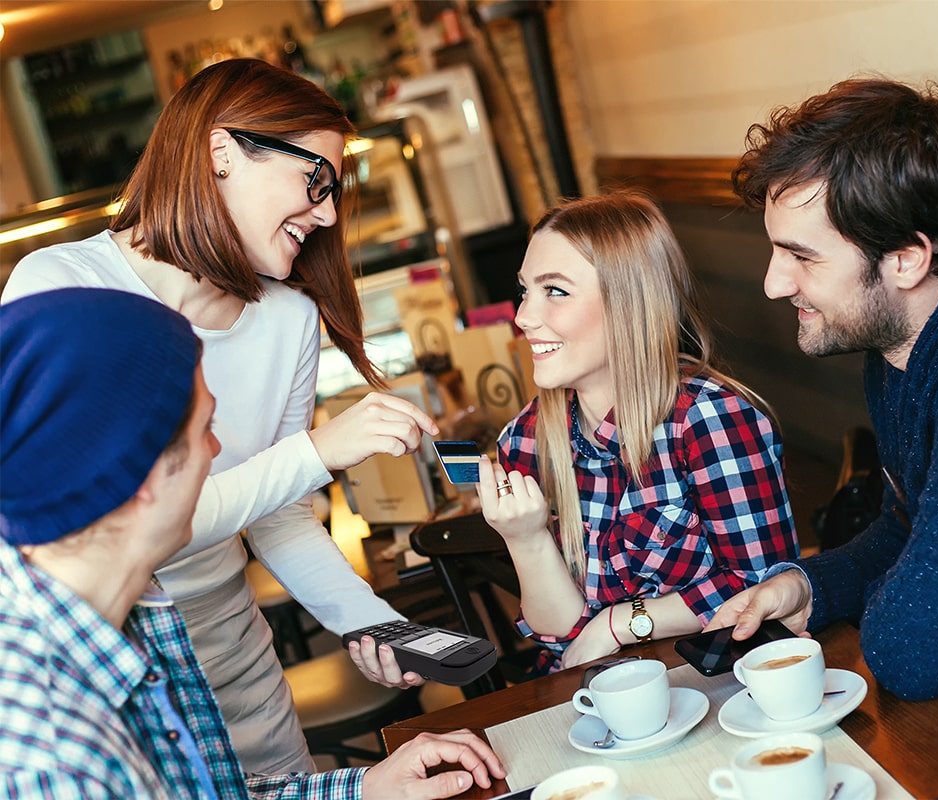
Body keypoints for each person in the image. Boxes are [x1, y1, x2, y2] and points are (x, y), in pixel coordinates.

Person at [1, 58, 434, 773]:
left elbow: (280, 514)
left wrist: (375, 625)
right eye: (314, 180)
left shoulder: (289, 316)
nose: (327, 212)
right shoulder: (66, 288)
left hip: (235, 648)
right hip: (115, 661)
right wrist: (316, 453)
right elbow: (119, 517)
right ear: (221, 153)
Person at [0, 287, 506, 799]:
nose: (219, 449)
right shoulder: (50, 763)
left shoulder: (126, 608)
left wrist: (365, 788)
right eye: (204, 430)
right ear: (140, 475)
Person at [706, 78, 938, 701]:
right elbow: (908, 527)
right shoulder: (894, 347)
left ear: (905, 259)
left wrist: (880, 602)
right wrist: (811, 585)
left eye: (802, 256)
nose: (773, 284)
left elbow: (917, 653)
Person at [476, 192, 799, 673]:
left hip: (715, 682)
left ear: (629, 302)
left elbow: (763, 584)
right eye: (525, 290)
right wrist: (525, 539)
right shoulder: (526, 439)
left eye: (556, 291)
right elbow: (562, 638)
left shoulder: (708, 419)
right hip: (598, 697)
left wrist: (621, 623)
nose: (523, 317)